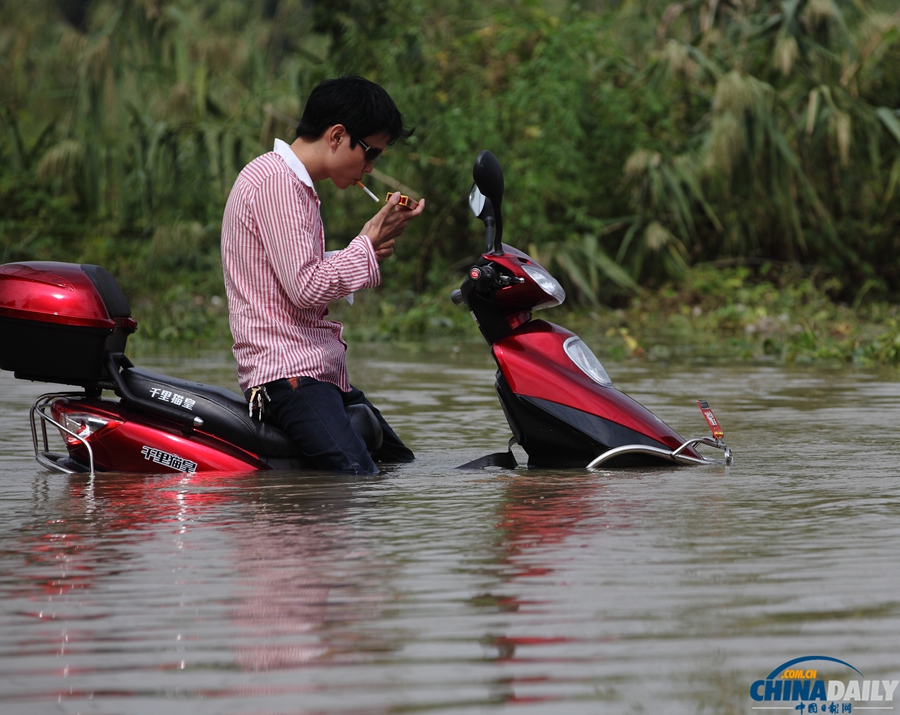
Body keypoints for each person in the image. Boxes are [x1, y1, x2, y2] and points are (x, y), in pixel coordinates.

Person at [221, 76, 425, 474]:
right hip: (289, 374)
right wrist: (364, 245)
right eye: (371, 154)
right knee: (357, 477)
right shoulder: (277, 183)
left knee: (400, 466)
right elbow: (306, 286)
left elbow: (290, 270)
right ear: (336, 135)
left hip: (316, 370)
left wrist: (365, 249)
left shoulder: (293, 184)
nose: (369, 168)